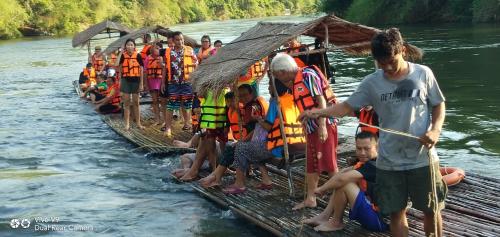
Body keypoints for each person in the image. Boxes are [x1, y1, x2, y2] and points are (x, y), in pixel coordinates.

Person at [298, 28, 447, 237]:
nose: (387, 68)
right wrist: (315, 112)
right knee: (396, 212)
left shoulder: (423, 73)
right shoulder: (372, 82)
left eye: (391, 61)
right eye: (381, 63)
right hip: (389, 162)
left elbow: (438, 105)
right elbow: (344, 108)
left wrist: (435, 130)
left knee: (431, 210)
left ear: (402, 50)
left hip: (422, 159)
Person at [271, 53, 339, 210]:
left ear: (282, 72)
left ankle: (338, 199)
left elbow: (321, 100)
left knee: (329, 164)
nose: (277, 78)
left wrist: (322, 126)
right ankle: (310, 198)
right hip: (311, 127)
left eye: (276, 75)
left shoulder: (308, 75)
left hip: (324, 124)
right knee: (312, 163)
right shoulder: (295, 81)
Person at [303, 132, 389, 232]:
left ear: (377, 148)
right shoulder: (367, 162)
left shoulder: (376, 165)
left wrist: (322, 189)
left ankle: (336, 222)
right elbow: (343, 172)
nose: (362, 153)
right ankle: (324, 216)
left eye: (367, 148)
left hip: (379, 221)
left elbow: (341, 179)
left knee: (345, 183)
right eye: (359, 148)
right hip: (372, 214)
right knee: (342, 179)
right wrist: (330, 183)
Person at [161, 31, 198, 136]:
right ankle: (168, 128)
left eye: (181, 39)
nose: (180, 41)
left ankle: (188, 124)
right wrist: (163, 83)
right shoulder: (168, 52)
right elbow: (165, 68)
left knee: (187, 105)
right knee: (171, 105)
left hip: (187, 82)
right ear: (173, 41)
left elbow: (196, 65)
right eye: (177, 39)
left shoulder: (189, 50)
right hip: (173, 83)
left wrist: (196, 80)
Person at [116, 38, 145, 131]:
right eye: (128, 45)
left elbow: (141, 70)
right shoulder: (123, 56)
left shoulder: (138, 56)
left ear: (134, 46)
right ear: (125, 46)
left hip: (136, 80)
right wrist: (120, 52)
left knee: (136, 103)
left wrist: (141, 84)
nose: (130, 46)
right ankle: (127, 124)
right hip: (126, 81)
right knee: (127, 103)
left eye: (131, 45)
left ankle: (138, 123)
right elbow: (117, 65)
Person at [145, 42, 164, 124]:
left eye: (159, 48)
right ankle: (157, 119)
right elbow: (145, 72)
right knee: (155, 101)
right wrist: (145, 84)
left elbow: (165, 70)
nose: (158, 49)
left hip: (160, 81)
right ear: (152, 50)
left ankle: (164, 119)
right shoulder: (147, 59)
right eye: (156, 48)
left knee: (163, 101)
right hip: (151, 81)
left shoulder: (162, 58)